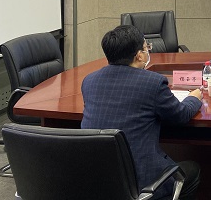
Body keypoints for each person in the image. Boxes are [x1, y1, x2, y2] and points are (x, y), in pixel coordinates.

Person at [81, 25, 203, 200]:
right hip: (141, 184)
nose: (147, 51)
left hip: (97, 180)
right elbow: (181, 115)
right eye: (147, 47)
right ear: (139, 55)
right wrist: (194, 98)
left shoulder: (89, 81)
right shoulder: (153, 83)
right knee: (192, 170)